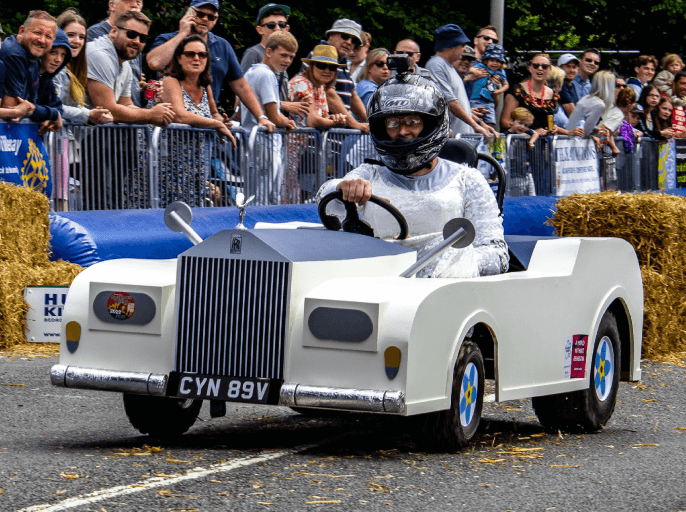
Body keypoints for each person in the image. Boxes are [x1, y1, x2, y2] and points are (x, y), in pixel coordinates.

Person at [316, 72, 508, 279]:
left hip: (445, 292)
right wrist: (342, 187)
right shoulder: (369, 174)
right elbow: (325, 200)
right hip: (379, 283)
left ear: (431, 123)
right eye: (393, 124)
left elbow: (497, 255)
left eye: (411, 121)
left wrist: (430, 259)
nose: (403, 132)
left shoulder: (467, 179)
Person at [147, 0, 275, 132]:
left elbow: (241, 86)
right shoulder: (168, 39)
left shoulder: (223, 46)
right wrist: (182, 34)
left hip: (204, 132)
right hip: (169, 131)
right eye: (200, 14)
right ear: (189, 13)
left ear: (216, 19)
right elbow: (154, 63)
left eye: (210, 17)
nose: (205, 19)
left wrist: (261, 117)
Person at [158, 34, 235, 206]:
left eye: (202, 55)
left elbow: (213, 113)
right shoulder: (171, 81)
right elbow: (180, 114)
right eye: (190, 54)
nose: (196, 58)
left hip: (197, 165)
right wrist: (215, 124)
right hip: (167, 165)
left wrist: (221, 121)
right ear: (179, 58)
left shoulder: (205, 86)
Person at [86, 11, 175, 126]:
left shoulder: (125, 64)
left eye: (143, 38)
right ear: (113, 31)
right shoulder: (99, 55)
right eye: (131, 34)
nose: (137, 41)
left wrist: (158, 112)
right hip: (65, 134)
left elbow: (126, 105)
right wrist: (150, 115)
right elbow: (107, 110)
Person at [425, 24, 493, 138]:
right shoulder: (436, 64)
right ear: (451, 46)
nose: (464, 49)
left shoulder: (450, 67)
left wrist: (481, 123)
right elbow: (450, 103)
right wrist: (475, 126)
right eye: (462, 45)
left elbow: (462, 106)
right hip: (450, 142)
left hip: (460, 140)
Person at [302, 18, 368, 132]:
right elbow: (328, 92)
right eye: (345, 36)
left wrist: (371, 122)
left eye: (354, 41)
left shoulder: (343, 62)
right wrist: (356, 124)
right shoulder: (319, 56)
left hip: (334, 132)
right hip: (317, 133)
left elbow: (352, 96)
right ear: (331, 36)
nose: (349, 42)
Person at [1, 11, 62, 132]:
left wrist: (46, 112)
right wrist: (52, 113)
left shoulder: (35, 58)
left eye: (48, 37)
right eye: (37, 33)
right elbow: (12, 109)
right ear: (21, 31)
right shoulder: (14, 54)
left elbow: (32, 103)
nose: (42, 40)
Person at [54, 9, 113, 125]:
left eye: (81, 37)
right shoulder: (56, 68)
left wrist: (95, 117)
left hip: (63, 139)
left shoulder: (76, 70)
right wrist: (88, 114)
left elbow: (73, 111)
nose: (77, 41)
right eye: (70, 35)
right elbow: (54, 106)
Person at [87, 0, 145, 107]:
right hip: (102, 118)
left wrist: (143, 89)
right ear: (111, 5)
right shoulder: (96, 36)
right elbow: (105, 105)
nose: (135, 3)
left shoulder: (136, 43)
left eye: (139, 1)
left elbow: (127, 92)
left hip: (129, 117)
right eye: (130, 34)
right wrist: (149, 115)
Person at [501, 54, 573, 135]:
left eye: (544, 66)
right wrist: (531, 132)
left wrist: (564, 131)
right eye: (536, 66)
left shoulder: (553, 95)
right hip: (519, 143)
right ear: (530, 68)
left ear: (549, 70)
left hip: (543, 144)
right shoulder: (517, 90)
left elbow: (548, 124)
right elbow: (505, 122)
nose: (540, 68)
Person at [288, 45, 347, 129]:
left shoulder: (320, 87)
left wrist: (335, 118)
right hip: (289, 140)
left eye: (332, 67)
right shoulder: (301, 83)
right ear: (311, 67)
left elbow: (323, 117)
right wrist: (335, 123)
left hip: (306, 141)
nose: (327, 71)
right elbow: (312, 121)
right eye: (321, 65)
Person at [468, 44, 508, 127]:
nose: (494, 63)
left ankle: (488, 137)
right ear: (486, 60)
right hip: (476, 98)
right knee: (475, 121)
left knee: (490, 121)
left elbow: (506, 85)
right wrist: (475, 71)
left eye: (497, 61)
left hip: (489, 101)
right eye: (492, 60)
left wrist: (499, 91)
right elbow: (469, 69)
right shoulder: (481, 66)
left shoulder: (500, 72)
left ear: (501, 63)